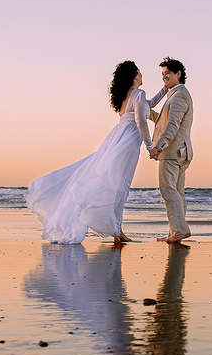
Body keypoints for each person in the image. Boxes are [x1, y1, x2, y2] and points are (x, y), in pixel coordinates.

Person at [27, 61, 156, 244]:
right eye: (140, 72)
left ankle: (117, 230)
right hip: (128, 141)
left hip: (117, 137)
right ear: (135, 76)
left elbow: (149, 105)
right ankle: (117, 231)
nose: (142, 75)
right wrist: (150, 146)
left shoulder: (127, 96)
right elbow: (142, 121)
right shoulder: (139, 94)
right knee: (120, 186)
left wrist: (165, 91)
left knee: (112, 182)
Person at [147, 56, 193, 243]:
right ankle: (175, 232)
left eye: (168, 73)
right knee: (177, 192)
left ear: (178, 74)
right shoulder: (175, 94)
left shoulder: (180, 95)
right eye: (163, 74)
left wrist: (158, 147)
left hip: (173, 152)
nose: (164, 77)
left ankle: (179, 230)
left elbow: (172, 126)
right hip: (181, 152)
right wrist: (147, 112)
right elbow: (165, 120)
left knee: (168, 190)